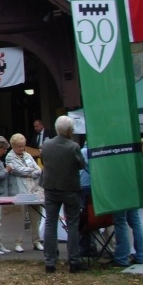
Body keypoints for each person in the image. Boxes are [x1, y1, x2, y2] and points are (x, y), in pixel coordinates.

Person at [40, 115, 86, 273]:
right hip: (70, 188)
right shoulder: (73, 146)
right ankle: (74, 260)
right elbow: (81, 164)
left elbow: (44, 159)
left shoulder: (46, 144)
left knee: (50, 223)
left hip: (51, 188)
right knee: (72, 224)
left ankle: (50, 261)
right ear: (69, 131)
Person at [5, 133, 43, 252]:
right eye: (19, 147)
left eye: (23, 146)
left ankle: (36, 241)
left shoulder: (27, 155)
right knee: (19, 218)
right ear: (13, 146)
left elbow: (38, 169)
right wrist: (31, 172)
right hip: (19, 191)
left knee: (35, 218)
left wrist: (29, 172)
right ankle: (18, 243)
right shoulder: (9, 157)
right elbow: (18, 170)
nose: (21, 149)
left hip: (33, 190)